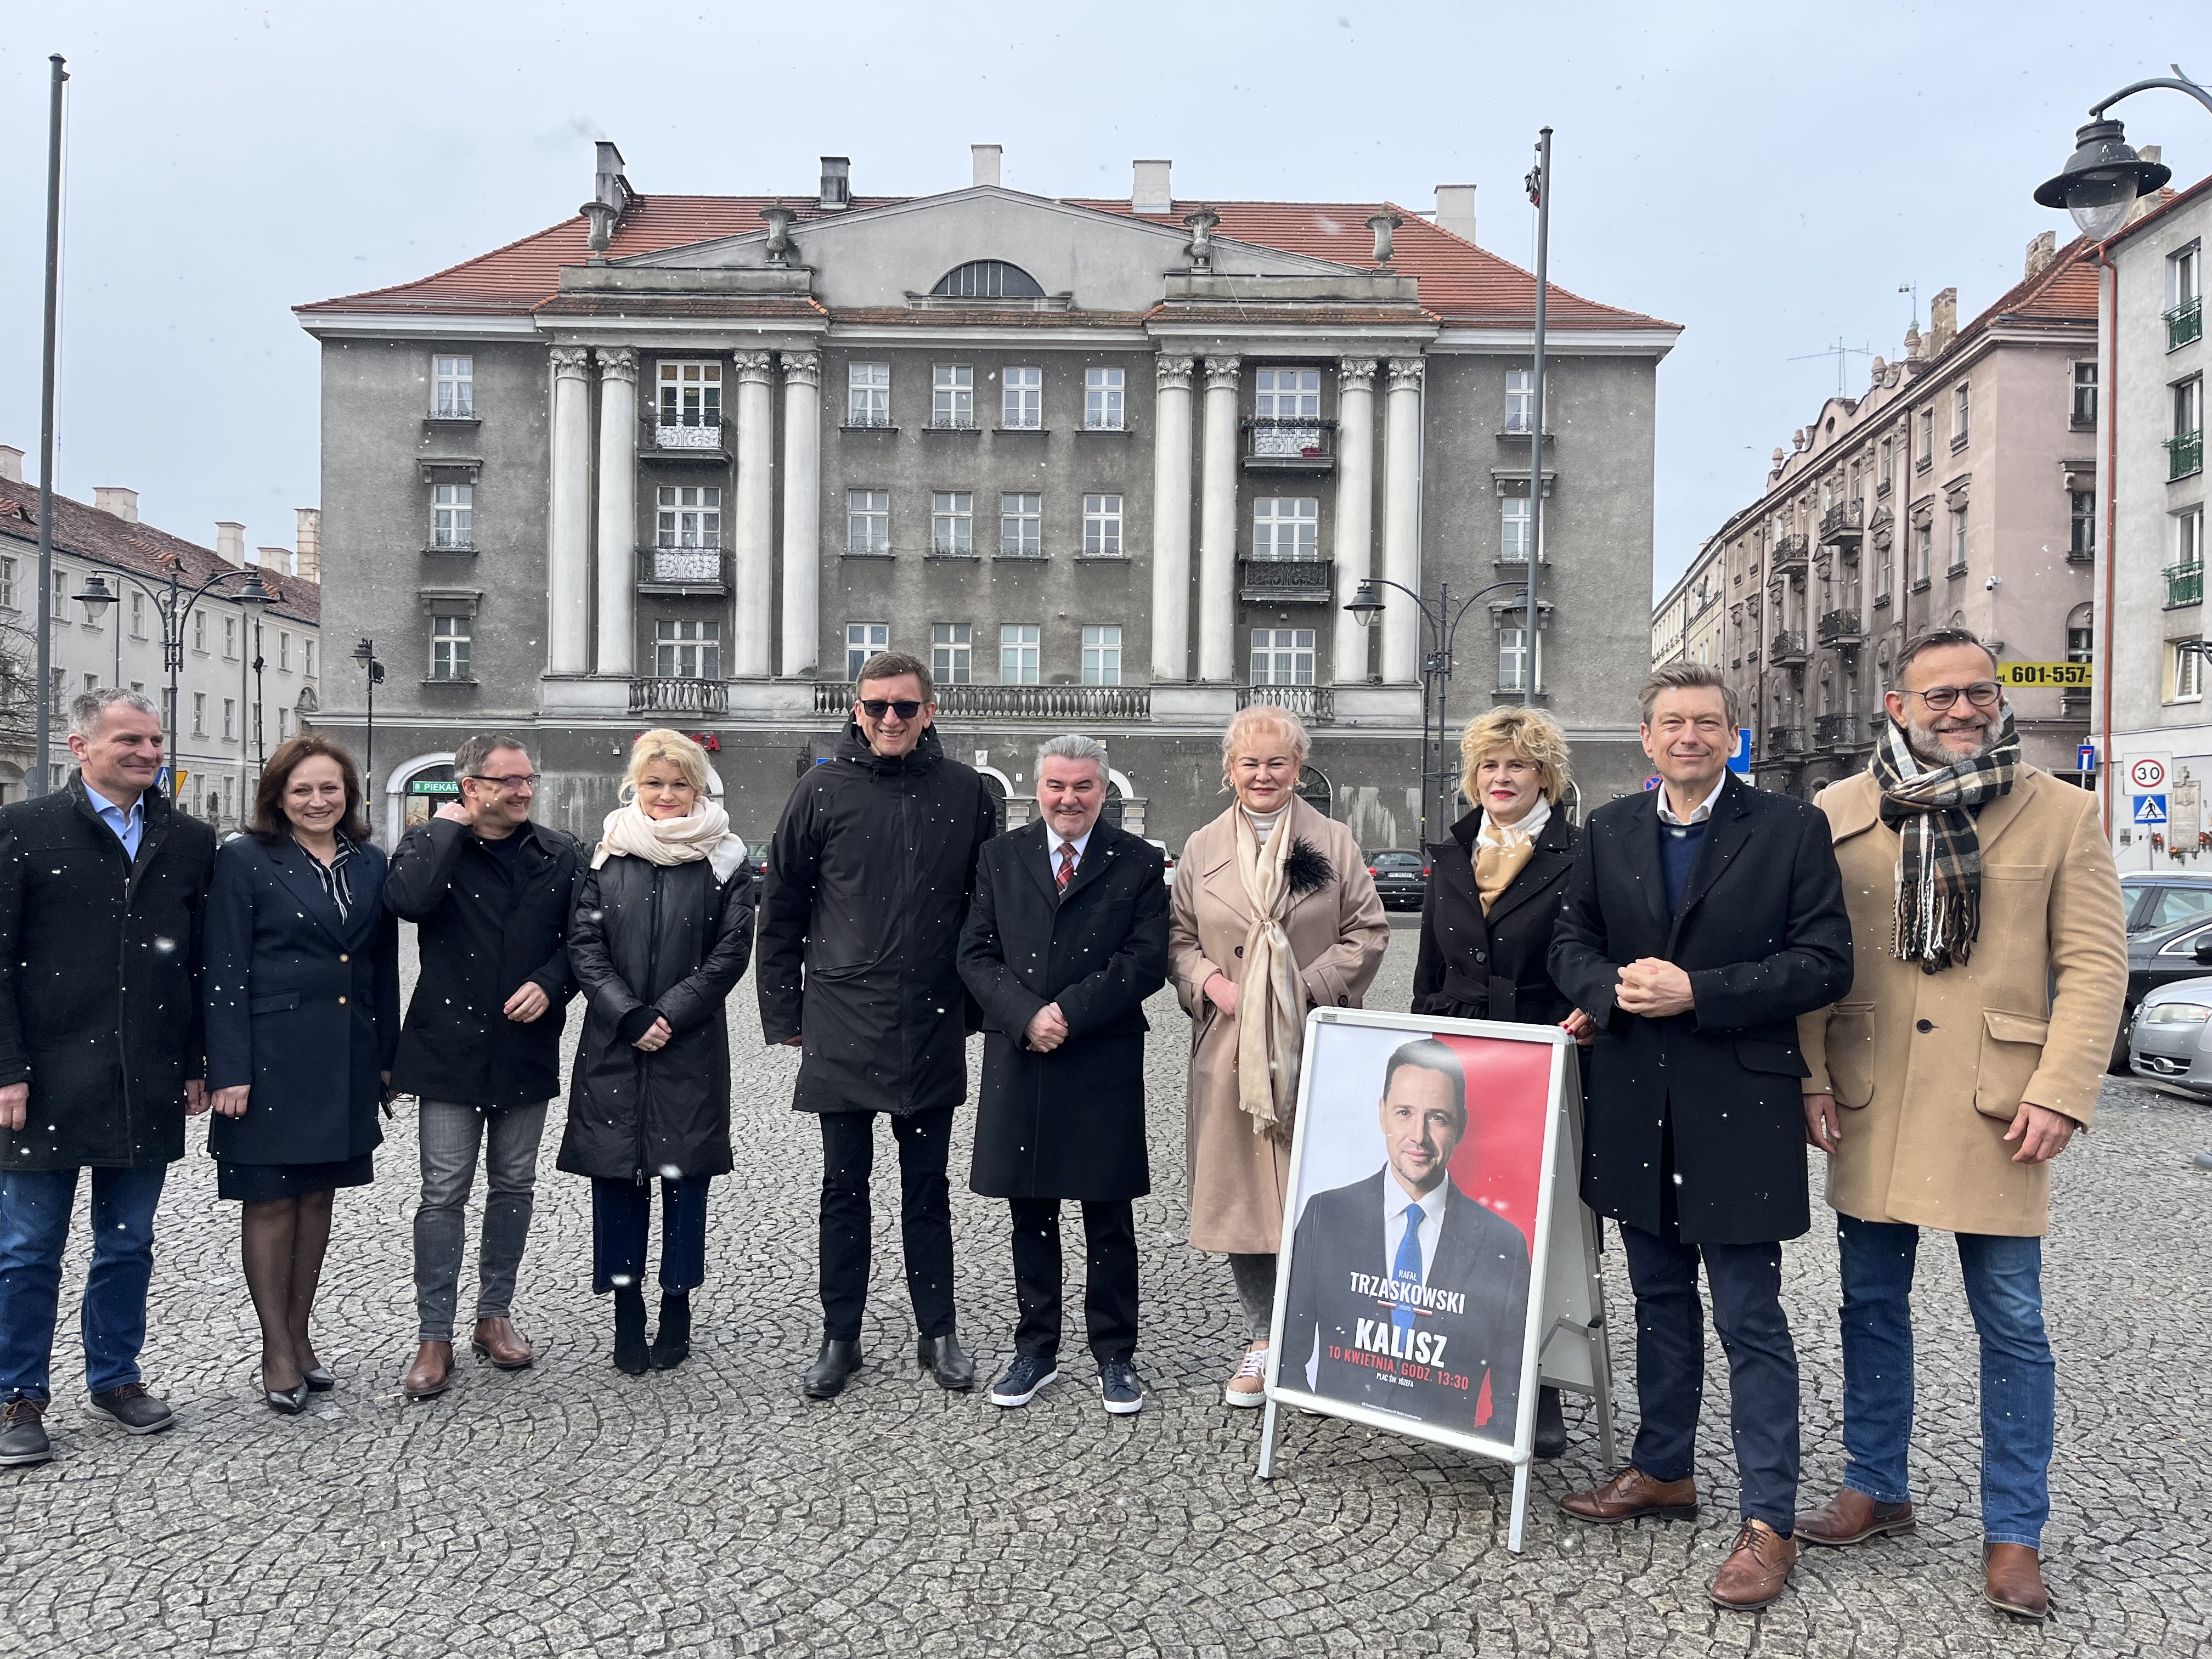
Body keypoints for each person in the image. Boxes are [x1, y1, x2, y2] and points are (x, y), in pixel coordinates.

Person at [1792, 629, 2126, 1621]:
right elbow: (1810, 952)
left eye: (1976, 692)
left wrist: (2062, 1087)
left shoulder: (2061, 810)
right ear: (1896, 705)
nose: (1960, 710)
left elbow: (2096, 965)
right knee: (1867, 1303)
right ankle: (1876, 1484)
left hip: (2000, 1104)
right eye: (1937, 695)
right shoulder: (1836, 811)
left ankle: (2014, 1532)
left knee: (2013, 1325)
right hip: (1871, 1095)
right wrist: (1808, 1071)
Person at [1549, 662, 1852, 1612]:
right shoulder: (1609, 829)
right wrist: (1607, 991)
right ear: (1646, 738)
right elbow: (1570, 941)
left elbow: (1823, 961)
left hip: (1738, 1107)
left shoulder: (1790, 829)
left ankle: (1769, 1515)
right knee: (1657, 1302)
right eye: (1672, 722)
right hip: (1637, 1103)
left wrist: (1700, 991)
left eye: (1707, 722)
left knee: (1749, 1318)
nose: (1689, 735)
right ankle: (1664, 1468)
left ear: (1732, 735)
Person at [758, 653, 998, 1400]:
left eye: (904, 707)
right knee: (843, 1187)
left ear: (929, 712)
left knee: (927, 1187)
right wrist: (783, 1012)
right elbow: (785, 907)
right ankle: (841, 1336)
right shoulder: (821, 789)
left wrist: (977, 1008)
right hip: (841, 1016)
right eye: (876, 707)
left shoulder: (966, 793)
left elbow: (982, 910)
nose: (889, 719)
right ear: (856, 712)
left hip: (928, 1020)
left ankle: (938, 1332)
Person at [0, 691, 217, 1468]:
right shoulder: (23, 831)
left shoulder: (188, 839)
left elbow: (197, 964)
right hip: (46, 1076)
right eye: (129, 739)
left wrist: (195, 1063)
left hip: (146, 1073)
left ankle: (115, 1378)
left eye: (156, 739)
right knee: (28, 1247)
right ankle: (18, 1394)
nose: (148, 752)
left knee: (128, 1245)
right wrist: (7, 1069)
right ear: (79, 745)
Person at [1169, 704, 1387, 1409]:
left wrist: (1303, 989)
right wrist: (1216, 986)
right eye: (1250, 763)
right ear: (1229, 769)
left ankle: (1327, 1336)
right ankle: (1265, 1339)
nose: (1263, 775)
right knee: (1247, 1204)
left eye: (1278, 763)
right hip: (1231, 1048)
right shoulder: (1203, 847)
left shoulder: (1335, 841)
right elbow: (1177, 941)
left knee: (1317, 1194)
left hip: (1314, 1043)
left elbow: (1368, 931)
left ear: (1299, 768)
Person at [958, 733, 1168, 1415]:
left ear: (1103, 790)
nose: (1068, 798)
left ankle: (1115, 1354)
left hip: (1099, 1051)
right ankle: (1036, 1350)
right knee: (1031, 1210)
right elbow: (975, 953)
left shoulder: (1137, 862)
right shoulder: (1001, 856)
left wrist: (1067, 1014)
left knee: (1108, 1215)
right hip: (1022, 1052)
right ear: (1039, 788)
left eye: (1082, 786)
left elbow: (1145, 960)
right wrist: (1026, 1015)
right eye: (1056, 786)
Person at [1410, 704, 1592, 1458]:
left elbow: (1596, 955)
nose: (1502, 777)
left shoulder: (1580, 854)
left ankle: (1537, 1388)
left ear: (1544, 775)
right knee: (1458, 1221)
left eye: (1517, 764)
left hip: (1543, 1059)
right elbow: (1427, 965)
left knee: (1529, 1229)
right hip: (1460, 1059)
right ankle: (1452, 1374)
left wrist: (1582, 1020)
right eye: (1489, 765)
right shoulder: (1453, 853)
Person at [202, 738, 401, 1412]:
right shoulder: (245, 859)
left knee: (319, 1198)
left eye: (331, 790)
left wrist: (386, 1058)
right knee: (271, 1201)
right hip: (268, 1057)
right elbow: (222, 970)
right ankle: (276, 1349)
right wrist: (227, 1067)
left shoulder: (370, 862)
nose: (319, 802)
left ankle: (302, 1334)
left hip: (344, 1051)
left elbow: (379, 966)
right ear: (278, 798)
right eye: (303, 791)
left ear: (349, 795)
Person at [385, 733, 582, 1400]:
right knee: (443, 1193)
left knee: (514, 1187)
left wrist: (553, 982)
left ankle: (493, 1314)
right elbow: (407, 902)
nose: (524, 791)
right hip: (446, 1048)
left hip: (524, 1046)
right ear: (470, 788)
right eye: (507, 782)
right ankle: (433, 1333)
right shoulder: (430, 845)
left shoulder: (559, 853)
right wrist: (443, 830)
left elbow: (581, 942)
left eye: (528, 779)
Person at [558, 730, 754, 1376]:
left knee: (682, 1182)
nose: (666, 795)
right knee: (617, 1181)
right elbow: (583, 945)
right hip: (615, 1044)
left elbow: (730, 954)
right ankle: (624, 1309)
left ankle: (676, 1303)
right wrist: (628, 1012)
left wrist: (669, 1012)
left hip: (688, 1046)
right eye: (654, 783)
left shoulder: (725, 861)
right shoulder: (605, 855)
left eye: (678, 783)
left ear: (698, 787)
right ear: (635, 788)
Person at [1278, 1039, 1530, 1433]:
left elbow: (1512, 1380)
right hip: (1336, 1434)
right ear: (1382, 1115)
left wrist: (1490, 1449)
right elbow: (1286, 1354)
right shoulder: (1325, 1214)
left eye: (1438, 1118)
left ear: (1460, 1125)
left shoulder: (1503, 1243)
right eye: (1404, 1113)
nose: (1418, 1136)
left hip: (1448, 1457)